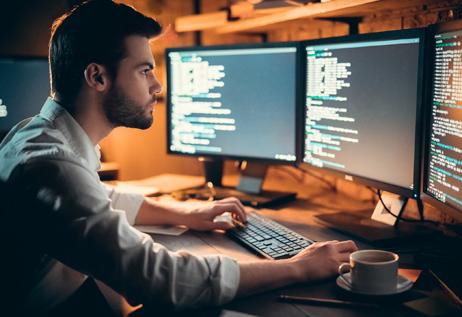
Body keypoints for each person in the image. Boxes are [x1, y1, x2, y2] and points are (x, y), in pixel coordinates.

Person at [0, 0, 357, 314]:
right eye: (144, 71)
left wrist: (187, 212)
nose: (157, 86)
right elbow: (162, 280)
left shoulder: (41, 136)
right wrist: (299, 267)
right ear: (97, 77)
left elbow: (97, 198)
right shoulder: (51, 167)